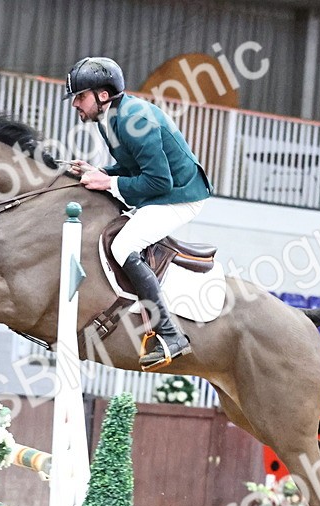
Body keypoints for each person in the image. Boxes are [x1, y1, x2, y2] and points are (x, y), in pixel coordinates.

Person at [63, 56, 212, 370]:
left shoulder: (135, 117)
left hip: (180, 196)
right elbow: (132, 168)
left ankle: (170, 334)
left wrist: (108, 182)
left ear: (103, 95)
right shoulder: (112, 119)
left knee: (123, 245)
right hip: (164, 190)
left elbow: (159, 180)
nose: (75, 104)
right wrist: (102, 172)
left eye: (80, 97)